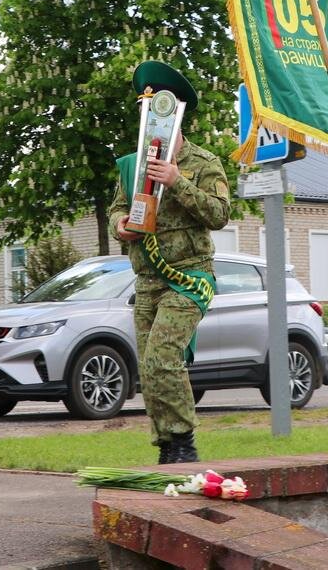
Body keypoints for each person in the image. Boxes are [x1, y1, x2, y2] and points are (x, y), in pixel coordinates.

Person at [108, 61, 230, 464]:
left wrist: (178, 181)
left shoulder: (204, 162)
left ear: (174, 114)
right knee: (150, 367)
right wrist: (121, 226)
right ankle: (165, 445)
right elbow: (117, 211)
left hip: (188, 277)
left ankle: (183, 442)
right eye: (145, 113)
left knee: (163, 357)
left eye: (157, 112)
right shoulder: (131, 163)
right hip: (146, 279)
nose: (150, 122)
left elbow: (218, 214)